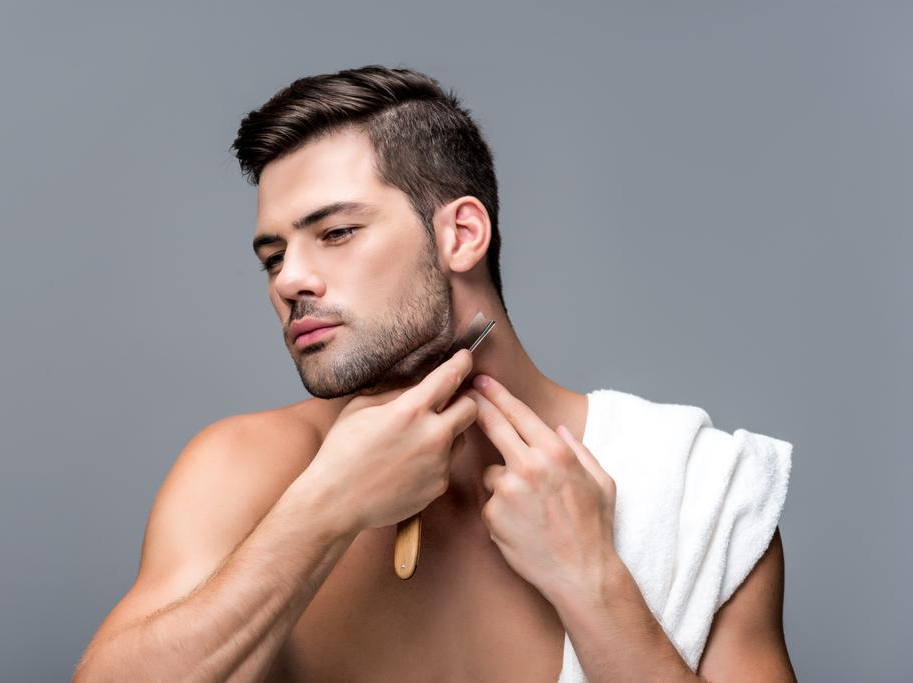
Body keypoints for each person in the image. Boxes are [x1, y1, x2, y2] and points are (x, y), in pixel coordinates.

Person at [73, 65, 795, 682]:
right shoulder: (246, 471)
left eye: (336, 233)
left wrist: (595, 583)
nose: (290, 279)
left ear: (461, 234)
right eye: (272, 256)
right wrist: (323, 508)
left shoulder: (696, 487)